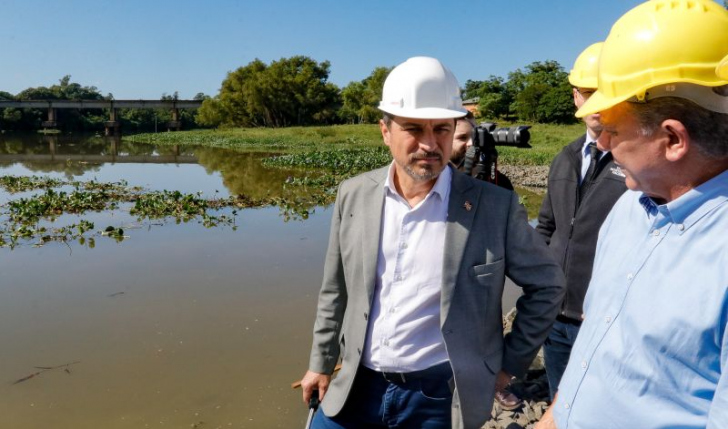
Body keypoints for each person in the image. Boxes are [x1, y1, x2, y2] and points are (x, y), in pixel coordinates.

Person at [300, 56, 565, 429]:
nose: (430, 144)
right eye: (413, 128)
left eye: (442, 129)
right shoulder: (354, 194)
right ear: (385, 130)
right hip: (355, 386)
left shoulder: (494, 206)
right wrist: (320, 363)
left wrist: (507, 365)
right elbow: (335, 289)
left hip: (438, 398)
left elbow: (548, 285)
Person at [535, 1, 728, 428]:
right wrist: (554, 414)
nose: (602, 145)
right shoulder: (628, 209)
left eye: (613, 131)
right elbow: (597, 341)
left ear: (672, 139)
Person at [535, 42, 626, 400]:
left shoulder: (633, 161)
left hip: (601, 316)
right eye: (588, 93)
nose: (596, 104)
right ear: (576, 97)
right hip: (555, 312)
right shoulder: (566, 156)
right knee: (560, 397)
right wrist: (539, 283)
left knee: (601, 403)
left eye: (604, 93)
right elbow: (546, 226)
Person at [450, 111, 514, 191]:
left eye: (475, 136)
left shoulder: (499, 181)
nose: (471, 143)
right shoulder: (436, 181)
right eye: (462, 137)